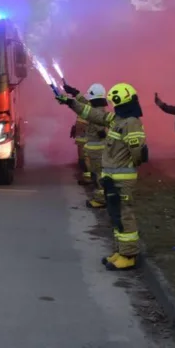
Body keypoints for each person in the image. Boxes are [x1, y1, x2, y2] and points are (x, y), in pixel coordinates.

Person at [56, 83, 148, 271]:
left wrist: (124, 167)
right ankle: (120, 251)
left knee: (124, 216)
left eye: (117, 103)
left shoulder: (131, 122)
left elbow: (137, 153)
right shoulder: (118, 119)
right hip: (112, 177)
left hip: (122, 180)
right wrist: (71, 103)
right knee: (115, 215)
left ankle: (129, 256)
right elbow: (94, 114)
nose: (114, 107)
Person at [64, 82, 109, 206]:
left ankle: (101, 200)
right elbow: (84, 103)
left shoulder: (97, 111)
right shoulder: (96, 107)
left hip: (98, 149)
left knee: (100, 174)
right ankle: (101, 196)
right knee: (97, 173)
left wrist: (70, 100)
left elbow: (93, 117)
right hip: (95, 148)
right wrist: (74, 92)